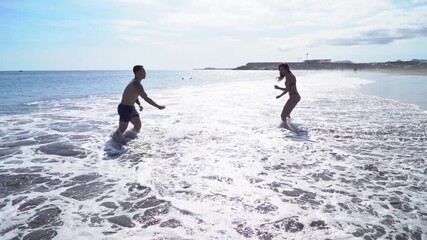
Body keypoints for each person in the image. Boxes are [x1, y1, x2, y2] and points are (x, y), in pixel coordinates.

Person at [111, 65, 165, 144]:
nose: (145, 72)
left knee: (138, 125)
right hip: (124, 108)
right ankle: (113, 144)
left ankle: (128, 139)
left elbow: (133, 95)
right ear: (137, 73)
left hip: (131, 108)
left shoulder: (136, 83)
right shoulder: (136, 84)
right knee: (122, 129)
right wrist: (158, 106)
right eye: (143, 71)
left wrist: (139, 104)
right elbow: (146, 98)